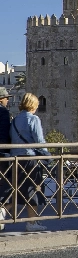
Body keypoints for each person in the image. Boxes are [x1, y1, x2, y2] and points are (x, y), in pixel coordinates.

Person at [10, 93, 49, 231]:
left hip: (15, 158)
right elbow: (39, 141)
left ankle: (2, 212)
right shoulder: (34, 119)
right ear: (33, 105)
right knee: (33, 189)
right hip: (30, 158)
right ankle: (32, 223)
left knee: (15, 189)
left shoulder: (15, 120)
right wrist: (47, 156)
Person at [0, 88, 11, 231]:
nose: (8, 100)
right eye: (6, 98)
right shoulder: (3, 112)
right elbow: (4, 133)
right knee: (5, 185)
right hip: (2, 153)